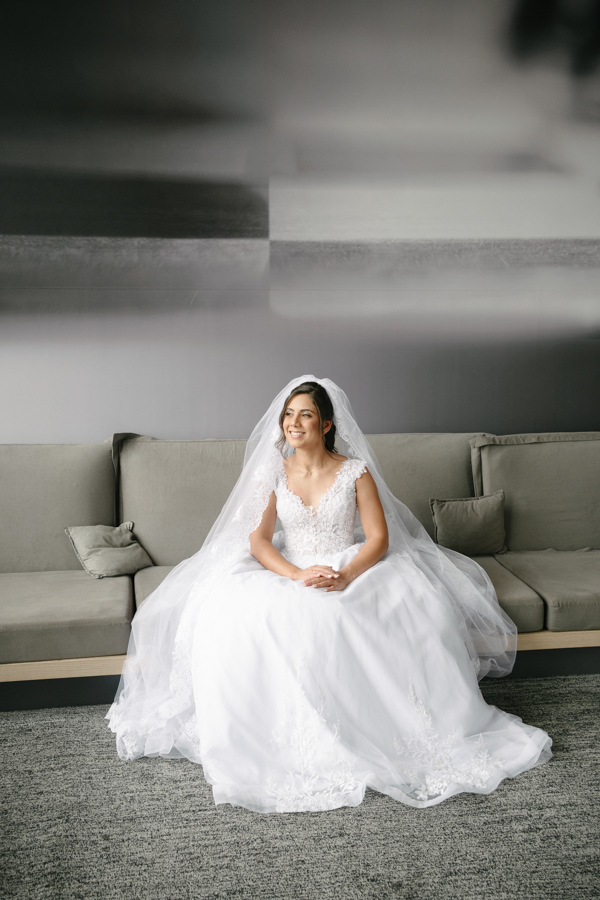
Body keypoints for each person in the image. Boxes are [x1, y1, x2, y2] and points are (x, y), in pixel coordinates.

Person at [107, 375, 552, 813]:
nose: (293, 423)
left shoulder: (354, 472)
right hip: (292, 566)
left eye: (306, 415)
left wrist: (346, 575)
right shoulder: (272, 474)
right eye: (288, 415)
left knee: (385, 609)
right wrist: (297, 574)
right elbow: (259, 541)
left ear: (325, 425)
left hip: (349, 563)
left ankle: (379, 728)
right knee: (249, 616)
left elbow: (378, 538)